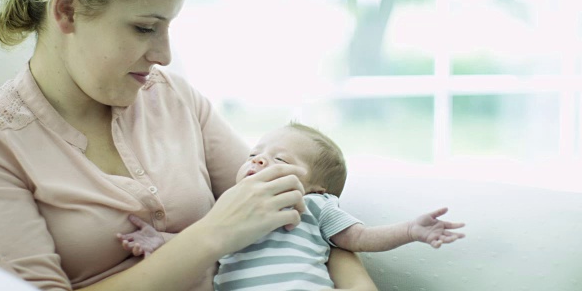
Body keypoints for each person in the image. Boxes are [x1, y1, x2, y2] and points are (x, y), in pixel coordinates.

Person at [0, 0, 378, 290]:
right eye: (145, 27)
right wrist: (213, 235)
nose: (165, 55)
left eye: (168, 28)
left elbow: (296, 210)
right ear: (67, 9)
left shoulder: (172, 98)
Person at [117, 122, 466, 290]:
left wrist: (410, 230)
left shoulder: (316, 208)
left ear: (316, 188)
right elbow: (198, 239)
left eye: (279, 159)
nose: (257, 162)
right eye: (254, 155)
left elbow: (359, 238)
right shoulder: (231, 208)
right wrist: (157, 240)